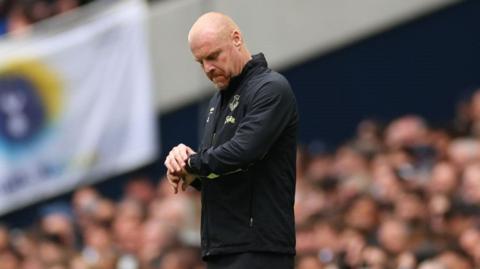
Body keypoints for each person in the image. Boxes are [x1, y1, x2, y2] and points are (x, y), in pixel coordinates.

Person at [164, 12, 298, 269]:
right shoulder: (217, 100)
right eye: (200, 61)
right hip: (222, 247)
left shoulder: (270, 88)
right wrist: (190, 174)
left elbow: (243, 152)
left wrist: (191, 162)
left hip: (259, 248)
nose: (208, 68)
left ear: (236, 39)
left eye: (213, 56)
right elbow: (229, 173)